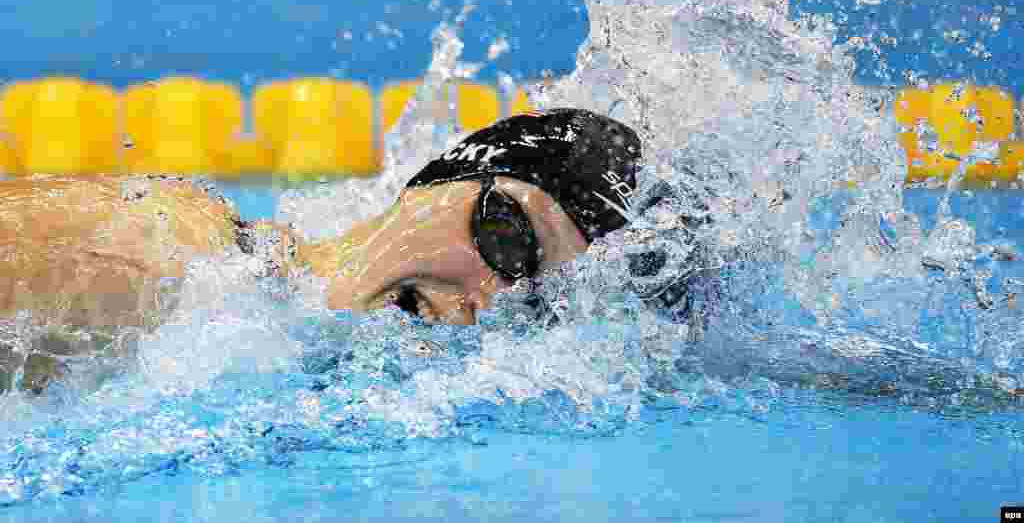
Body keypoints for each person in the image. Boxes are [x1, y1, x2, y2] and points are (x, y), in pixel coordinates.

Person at [1, 109, 660, 389]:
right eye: (508, 241)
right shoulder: (173, 259)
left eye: (537, 308)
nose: (484, 303)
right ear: (442, 177)